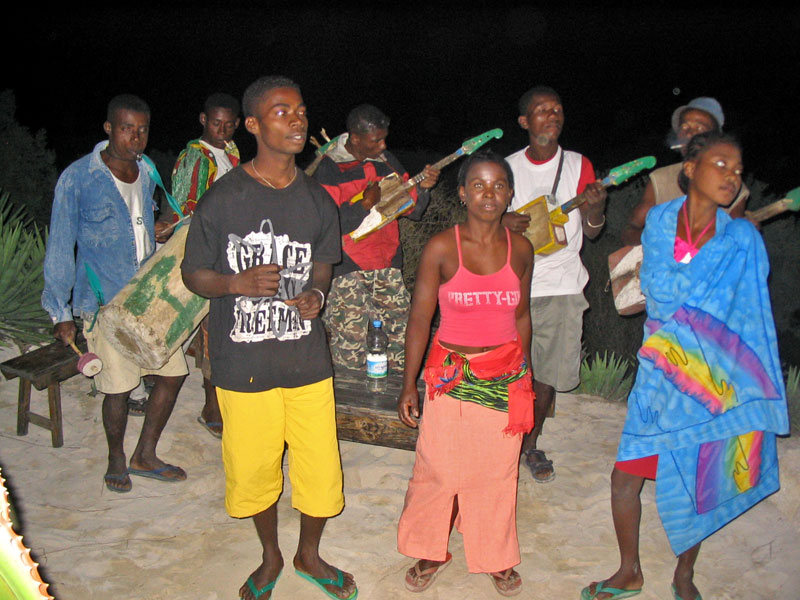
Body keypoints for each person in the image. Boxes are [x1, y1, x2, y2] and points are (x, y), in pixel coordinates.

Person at [581, 132, 788, 600]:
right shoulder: (659, 221)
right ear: (690, 169)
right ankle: (629, 569)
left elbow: (750, 316)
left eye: (738, 170)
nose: (732, 177)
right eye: (721, 165)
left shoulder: (742, 240)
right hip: (660, 375)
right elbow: (663, 291)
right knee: (625, 477)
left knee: (701, 477)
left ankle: (684, 575)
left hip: (712, 380)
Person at [181, 76, 357, 600]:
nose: (297, 120)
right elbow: (194, 274)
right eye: (282, 112)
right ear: (253, 125)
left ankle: (309, 554)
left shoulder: (318, 201)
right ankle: (270, 556)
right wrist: (234, 283)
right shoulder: (223, 198)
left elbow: (323, 264)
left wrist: (317, 299)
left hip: (306, 360)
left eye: (300, 110)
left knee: (320, 469)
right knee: (254, 469)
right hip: (243, 364)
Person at [397, 151, 535, 596]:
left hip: (503, 373)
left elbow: (523, 316)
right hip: (450, 375)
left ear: (511, 193)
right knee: (438, 468)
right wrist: (409, 384)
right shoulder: (442, 248)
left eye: (498, 185)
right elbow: (420, 320)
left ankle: (494, 554)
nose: (488, 194)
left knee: (496, 472)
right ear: (461, 193)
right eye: (478, 184)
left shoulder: (522, 250)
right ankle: (431, 548)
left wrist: (523, 377)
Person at [42, 94, 188, 494]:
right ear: (108, 128)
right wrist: (61, 312)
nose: (135, 137)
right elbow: (61, 244)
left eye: (142, 129)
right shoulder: (78, 178)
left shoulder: (147, 171)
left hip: (149, 298)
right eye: (126, 128)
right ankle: (116, 458)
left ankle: (145, 453)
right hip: (104, 303)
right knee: (118, 389)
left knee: (173, 376)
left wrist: (164, 225)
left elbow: (143, 224)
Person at [502, 86, 607, 483]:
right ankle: (504, 444)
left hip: (562, 283)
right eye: (541, 110)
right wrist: (502, 223)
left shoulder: (580, 165)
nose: (552, 114)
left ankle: (529, 446)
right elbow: (486, 219)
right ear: (524, 122)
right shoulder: (508, 168)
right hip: (514, 285)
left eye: (558, 109)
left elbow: (594, 233)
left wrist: (595, 208)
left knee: (545, 376)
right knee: (507, 372)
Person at [312, 104, 440, 372]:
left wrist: (424, 189)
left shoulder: (386, 161)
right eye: (376, 140)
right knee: (350, 344)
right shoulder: (330, 168)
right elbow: (326, 225)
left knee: (402, 339)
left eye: (384, 138)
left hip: (387, 261)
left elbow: (413, 210)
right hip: (347, 265)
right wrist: (363, 205)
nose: (383, 145)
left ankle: (396, 397)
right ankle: (347, 404)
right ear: (355, 138)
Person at [172, 92, 241, 438]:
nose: (223, 129)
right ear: (203, 120)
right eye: (216, 123)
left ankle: (220, 398)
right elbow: (184, 209)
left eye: (229, 124)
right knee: (211, 330)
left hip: (229, 250)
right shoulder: (194, 157)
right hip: (205, 250)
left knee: (224, 327)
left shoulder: (231, 153)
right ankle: (210, 404)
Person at [621, 96, 748, 246]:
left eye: (700, 128)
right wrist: (660, 240)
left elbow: (736, 242)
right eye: (684, 127)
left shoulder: (731, 184)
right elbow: (629, 231)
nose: (689, 133)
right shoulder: (661, 179)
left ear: (715, 138)